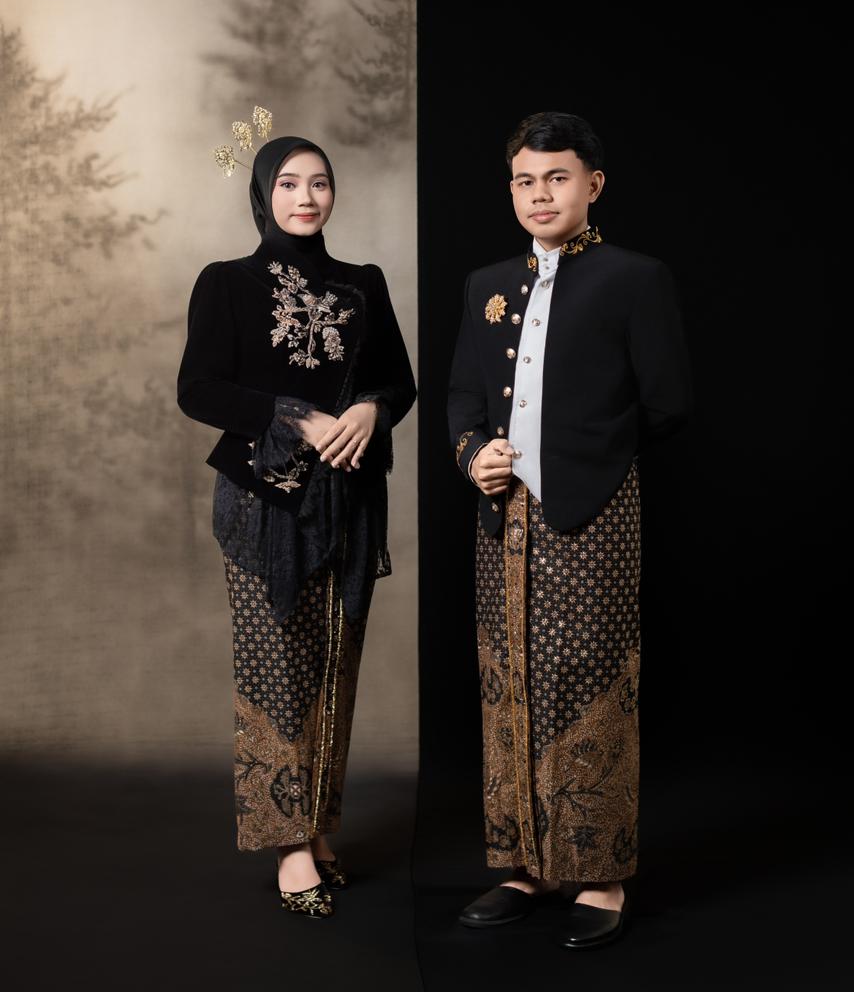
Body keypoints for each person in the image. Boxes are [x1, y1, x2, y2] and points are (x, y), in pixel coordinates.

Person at [447, 111, 692, 949]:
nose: (540, 193)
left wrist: (589, 457)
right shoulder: (486, 283)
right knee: (508, 680)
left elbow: (668, 401)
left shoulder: (634, 277)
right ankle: (524, 865)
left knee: (587, 682)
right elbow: (462, 397)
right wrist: (472, 454)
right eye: (525, 179)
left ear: (593, 184)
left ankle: (598, 873)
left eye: (557, 177)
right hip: (500, 515)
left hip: (594, 509)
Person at [177, 134, 416, 918]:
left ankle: (317, 827)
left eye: (319, 182)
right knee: (276, 666)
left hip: (348, 501)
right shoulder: (228, 281)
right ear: (262, 193)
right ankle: (287, 843)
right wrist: (295, 417)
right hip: (263, 503)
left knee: (334, 663)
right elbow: (197, 388)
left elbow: (399, 382)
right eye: (288, 183)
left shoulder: (363, 283)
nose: (306, 197)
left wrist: (371, 408)